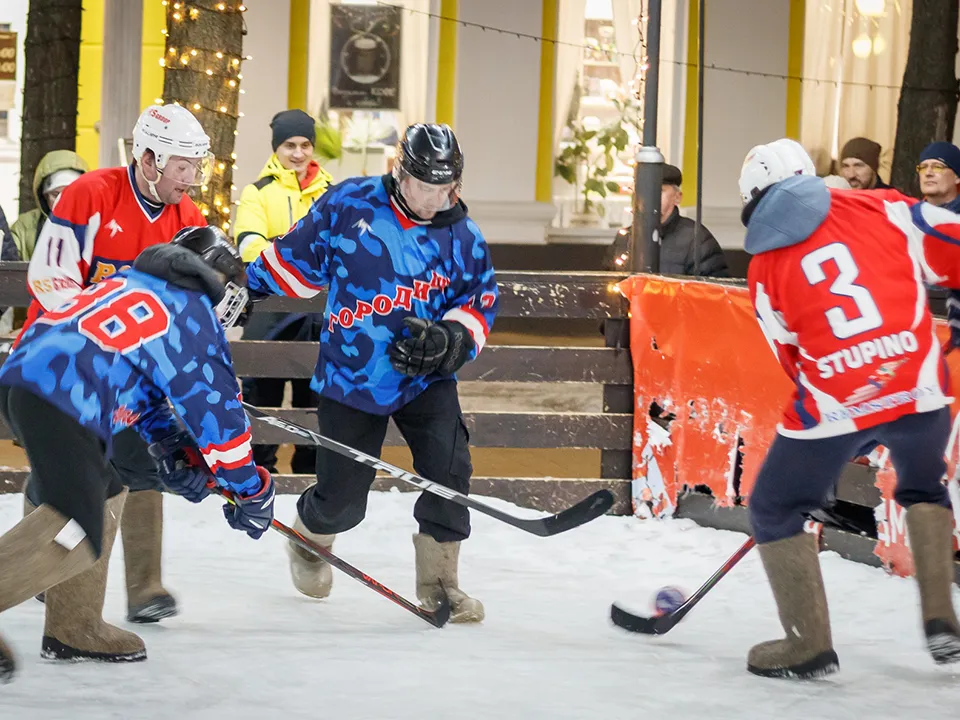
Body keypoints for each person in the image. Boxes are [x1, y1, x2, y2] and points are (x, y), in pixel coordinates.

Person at [244, 123, 498, 623]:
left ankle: (440, 581)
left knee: (449, 470)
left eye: (443, 189)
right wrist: (233, 278)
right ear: (400, 173)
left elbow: (479, 300)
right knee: (343, 502)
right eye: (423, 186)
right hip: (352, 376)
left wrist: (451, 340)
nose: (431, 200)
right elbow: (290, 264)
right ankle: (309, 539)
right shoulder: (350, 204)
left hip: (425, 378)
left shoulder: (463, 236)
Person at [0, 226, 275, 682]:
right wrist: (250, 489)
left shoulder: (131, 281)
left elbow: (136, 377)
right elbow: (220, 418)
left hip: (29, 378)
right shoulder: (193, 315)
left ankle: (76, 626)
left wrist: (169, 445)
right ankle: (72, 620)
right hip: (63, 398)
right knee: (74, 524)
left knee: (105, 489)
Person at [740, 137, 960, 679]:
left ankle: (807, 645)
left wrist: (846, 429)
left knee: (773, 508)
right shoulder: (884, 206)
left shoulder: (764, 268)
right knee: (924, 488)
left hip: (837, 404)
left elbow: (790, 357)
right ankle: (941, 618)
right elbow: (950, 243)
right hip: (920, 387)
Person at [18, 103, 210, 637]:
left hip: (130, 369)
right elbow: (52, 277)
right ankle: (45, 565)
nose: (191, 178)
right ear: (148, 159)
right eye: (182, 166)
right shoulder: (90, 194)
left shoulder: (186, 219)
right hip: (61, 358)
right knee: (74, 474)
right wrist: (98, 334)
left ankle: (144, 586)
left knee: (140, 461)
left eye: (197, 166)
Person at [234, 109, 333, 475]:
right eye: (289, 145)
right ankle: (261, 474)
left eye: (305, 144)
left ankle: (311, 475)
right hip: (269, 310)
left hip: (320, 314)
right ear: (277, 147)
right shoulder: (257, 192)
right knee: (263, 395)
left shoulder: (332, 194)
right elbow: (249, 246)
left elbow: (343, 248)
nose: (298, 153)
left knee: (316, 398)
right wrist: (307, 262)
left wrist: (283, 252)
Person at [604, 164, 728, 276]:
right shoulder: (625, 238)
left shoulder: (697, 239)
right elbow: (607, 288)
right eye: (642, 191)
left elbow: (710, 293)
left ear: (677, 198)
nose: (649, 197)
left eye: (658, 191)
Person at [5, 150, 89, 263]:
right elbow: (8, 268)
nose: (63, 201)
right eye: (56, 194)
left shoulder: (98, 224)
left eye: (70, 194)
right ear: (44, 195)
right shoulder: (24, 226)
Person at [917, 141, 960, 212]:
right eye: (923, 167)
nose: (928, 173)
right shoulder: (908, 216)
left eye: (937, 167)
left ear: (957, 177)